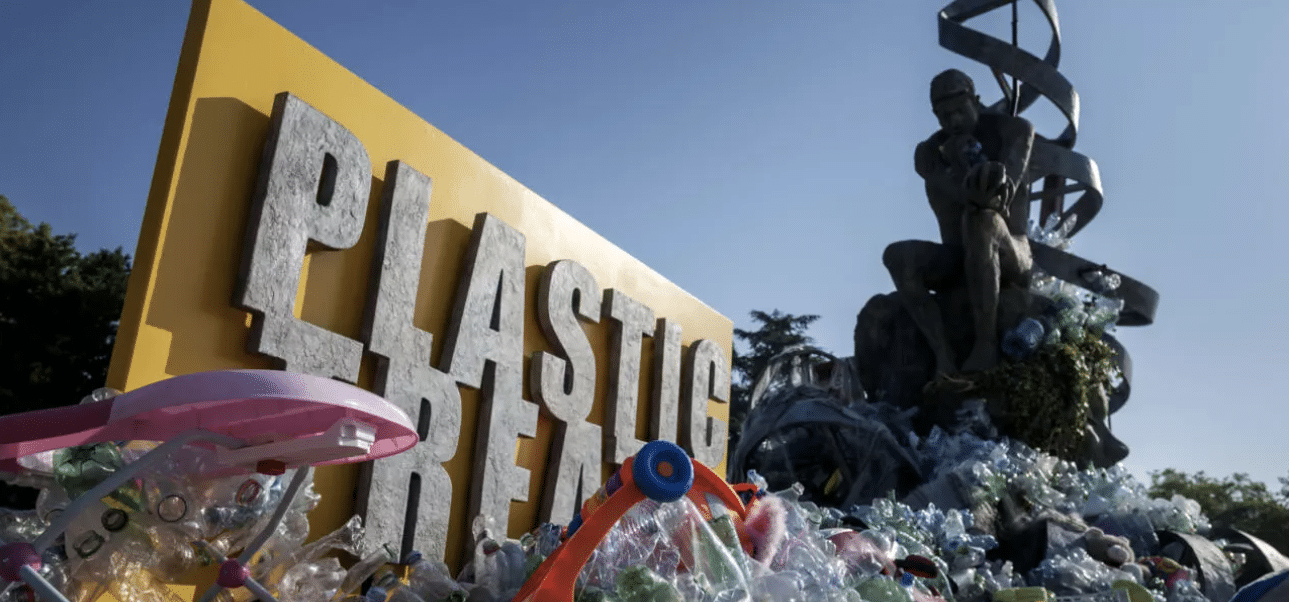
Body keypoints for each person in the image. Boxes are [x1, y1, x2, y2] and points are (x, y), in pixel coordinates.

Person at [883, 68, 1035, 374]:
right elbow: (956, 190)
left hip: (1011, 250)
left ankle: (986, 345)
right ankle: (944, 356)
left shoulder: (1014, 130)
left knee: (981, 220)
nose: (953, 121)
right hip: (957, 256)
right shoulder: (929, 152)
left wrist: (975, 164)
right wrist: (954, 160)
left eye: (960, 111)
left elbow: (997, 198)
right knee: (898, 256)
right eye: (944, 115)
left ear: (976, 102)